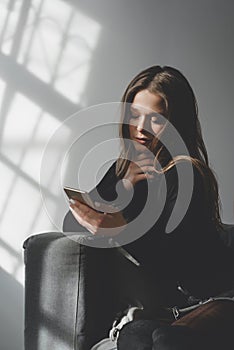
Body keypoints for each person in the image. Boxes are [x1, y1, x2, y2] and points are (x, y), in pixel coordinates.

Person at [66, 65, 234, 350]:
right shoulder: (122, 171)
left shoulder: (188, 174)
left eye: (156, 119)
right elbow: (72, 225)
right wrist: (124, 186)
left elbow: (177, 265)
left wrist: (119, 230)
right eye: (134, 115)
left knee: (170, 339)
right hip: (171, 308)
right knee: (134, 337)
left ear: (175, 124)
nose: (141, 128)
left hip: (216, 296)